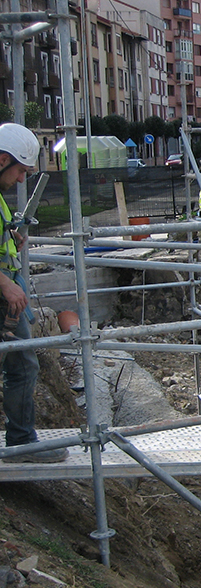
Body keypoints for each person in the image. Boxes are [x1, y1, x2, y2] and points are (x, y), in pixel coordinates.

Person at [0, 123, 66, 463]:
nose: (23, 179)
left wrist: (13, 240)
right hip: (4, 295)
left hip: (8, 299)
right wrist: (5, 282)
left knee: (22, 366)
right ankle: (22, 443)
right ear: (1, 160)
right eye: (21, 171)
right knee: (22, 367)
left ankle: (21, 441)